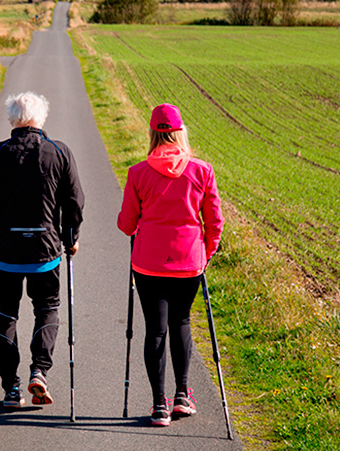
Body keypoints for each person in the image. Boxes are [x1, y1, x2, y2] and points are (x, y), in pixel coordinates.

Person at [0, 91, 84, 409]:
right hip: (45, 254)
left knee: (5, 317)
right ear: (41, 119)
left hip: (6, 254)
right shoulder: (59, 151)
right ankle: (40, 372)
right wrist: (70, 236)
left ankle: (12, 389)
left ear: (12, 120)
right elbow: (74, 201)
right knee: (47, 309)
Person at [117, 103, 224, 427]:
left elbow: (126, 224)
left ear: (153, 133)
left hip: (149, 263)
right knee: (181, 322)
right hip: (189, 262)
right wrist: (206, 251)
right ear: (180, 133)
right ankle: (181, 396)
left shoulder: (138, 173)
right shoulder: (202, 170)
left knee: (155, 329)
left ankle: (158, 405)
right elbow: (215, 220)